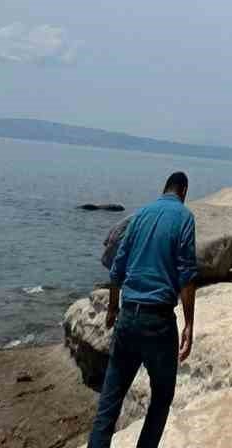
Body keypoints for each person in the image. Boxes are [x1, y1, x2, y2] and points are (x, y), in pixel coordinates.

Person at [87, 171, 197, 448]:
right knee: (161, 397)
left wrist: (113, 309)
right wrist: (189, 324)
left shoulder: (140, 216)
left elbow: (117, 269)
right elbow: (186, 276)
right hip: (158, 321)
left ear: (165, 188)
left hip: (128, 316)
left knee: (109, 402)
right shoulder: (184, 218)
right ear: (183, 191)